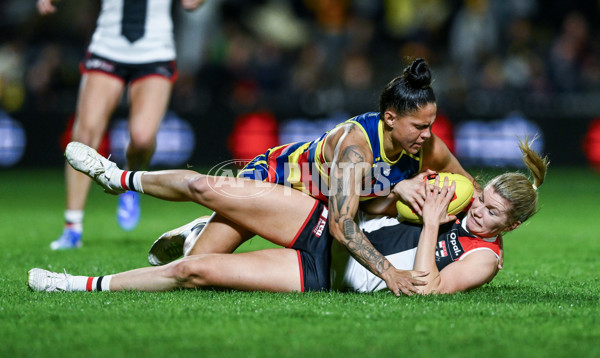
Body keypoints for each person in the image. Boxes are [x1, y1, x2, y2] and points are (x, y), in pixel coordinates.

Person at [27, 136, 548, 295]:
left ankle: (72, 286)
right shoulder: (460, 198)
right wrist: (407, 189)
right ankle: (116, 177)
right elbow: (400, 194)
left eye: (492, 213)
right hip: (328, 227)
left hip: (328, 275)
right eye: (481, 200)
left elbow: (424, 290)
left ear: (511, 227)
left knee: (196, 271)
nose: (478, 213)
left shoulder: (482, 257)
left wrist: (431, 221)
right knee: (211, 185)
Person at [149, 58, 481, 295]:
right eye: (420, 126)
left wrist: (492, 217)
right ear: (390, 119)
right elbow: (342, 224)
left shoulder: (427, 146)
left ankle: (200, 228)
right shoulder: (357, 145)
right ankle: (181, 210)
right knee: (194, 268)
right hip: (279, 180)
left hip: (320, 204)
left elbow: (466, 182)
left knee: (198, 268)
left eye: (431, 125)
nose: (428, 134)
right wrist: (389, 273)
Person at [37, 0, 206, 250]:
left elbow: (191, 3)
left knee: (142, 138)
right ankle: (72, 227)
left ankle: (130, 183)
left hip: (155, 49)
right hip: (108, 46)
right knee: (85, 134)